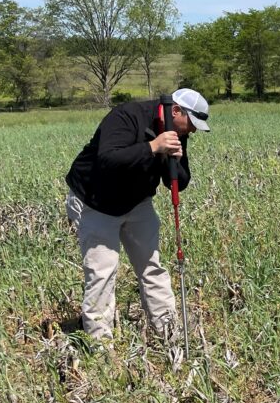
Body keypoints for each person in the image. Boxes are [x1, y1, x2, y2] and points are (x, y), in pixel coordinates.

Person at [64, 88, 211, 340]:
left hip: (137, 201)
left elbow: (176, 182)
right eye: (192, 123)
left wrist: (177, 158)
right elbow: (108, 159)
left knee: (152, 267)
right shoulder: (126, 116)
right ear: (176, 110)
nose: (193, 130)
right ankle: (100, 347)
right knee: (103, 273)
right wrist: (153, 146)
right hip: (96, 201)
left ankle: (169, 332)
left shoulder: (175, 128)